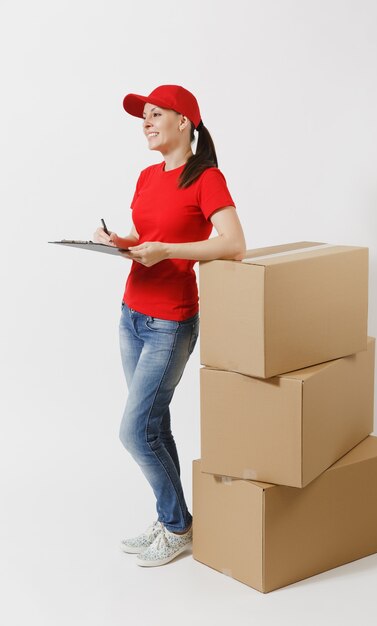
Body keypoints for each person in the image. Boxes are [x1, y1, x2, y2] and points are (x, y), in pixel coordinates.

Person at [93, 84, 246, 567]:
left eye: (156, 114)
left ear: (185, 122)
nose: (146, 122)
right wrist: (115, 240)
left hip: (170, 323)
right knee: (155, 426)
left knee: (134, 431)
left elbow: (234, 243)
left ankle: (178, 526)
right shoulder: (145, 176)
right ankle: (171, 519)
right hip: (131, 314)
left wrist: (167, 252)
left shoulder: (207, 178)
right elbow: (145, 236)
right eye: (144, 116)